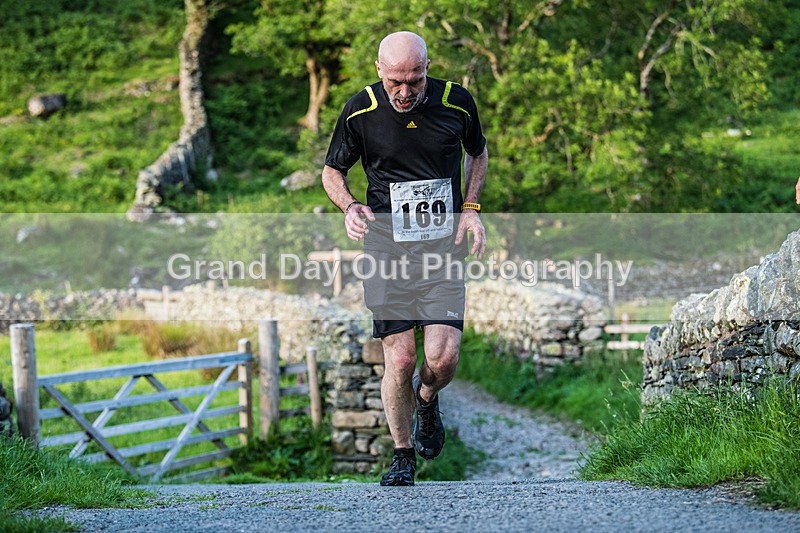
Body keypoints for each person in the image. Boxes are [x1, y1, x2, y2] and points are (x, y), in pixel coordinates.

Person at [322, 31, 488, 486]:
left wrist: (470, 208)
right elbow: (332, 170)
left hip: (442, 250)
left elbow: (478, 153)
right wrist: (350, 206)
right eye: (395, 81)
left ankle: (428, 400)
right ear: (379, 69)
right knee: (399, 360)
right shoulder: (360, 110)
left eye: (414, 80)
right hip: (385, 250)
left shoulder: (456, 102)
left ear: (427, 68)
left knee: (443, 358)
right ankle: (401, 454)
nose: (404, 91)